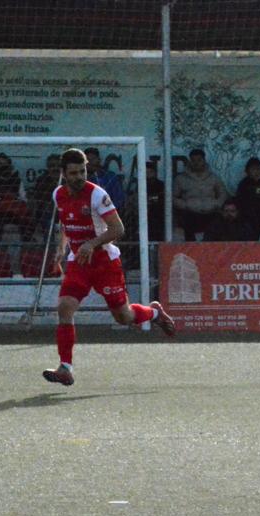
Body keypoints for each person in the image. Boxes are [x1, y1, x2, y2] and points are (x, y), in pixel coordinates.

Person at [42, 148, 175, 387]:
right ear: (63, 174)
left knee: (124, 317)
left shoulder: (96, 195)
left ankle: (154, 313)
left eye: (82, 171)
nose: (79, 176)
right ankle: (65, 368)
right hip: (79, 263)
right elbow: (66, 221)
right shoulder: (58, 195)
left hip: (105, 262)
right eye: (73, 173)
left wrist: (91, 244)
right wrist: (61, 248)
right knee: (64, 307)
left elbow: (118, 229)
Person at [174, 148, 229, 242]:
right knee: (189, 240)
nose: (196, 163)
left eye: (199, 160)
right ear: (190, 161)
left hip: (211, 213)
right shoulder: (180, 178)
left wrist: (217, 203)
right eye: (193, 160)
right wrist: (185, 204)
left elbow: (223, 194)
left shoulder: (214, 177)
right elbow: (172, 197)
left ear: (204, 160)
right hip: (190, 214)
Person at [83, 147, 126, 211]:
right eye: (87, 160)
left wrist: (108, 210)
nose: (90, 162)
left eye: (93, 159)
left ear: (99, 160)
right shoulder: (81, 179)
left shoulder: (110, 177)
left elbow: (119, 199)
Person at [28, 153, 61, 232]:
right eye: (52, 166)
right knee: (47, 214)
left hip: (66, 210)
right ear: (48, 167)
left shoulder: (69, 180)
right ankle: (49, 243)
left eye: (58, 165)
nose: (55, 168)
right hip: (48, 212)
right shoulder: (42, 180)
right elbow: (39, 199)